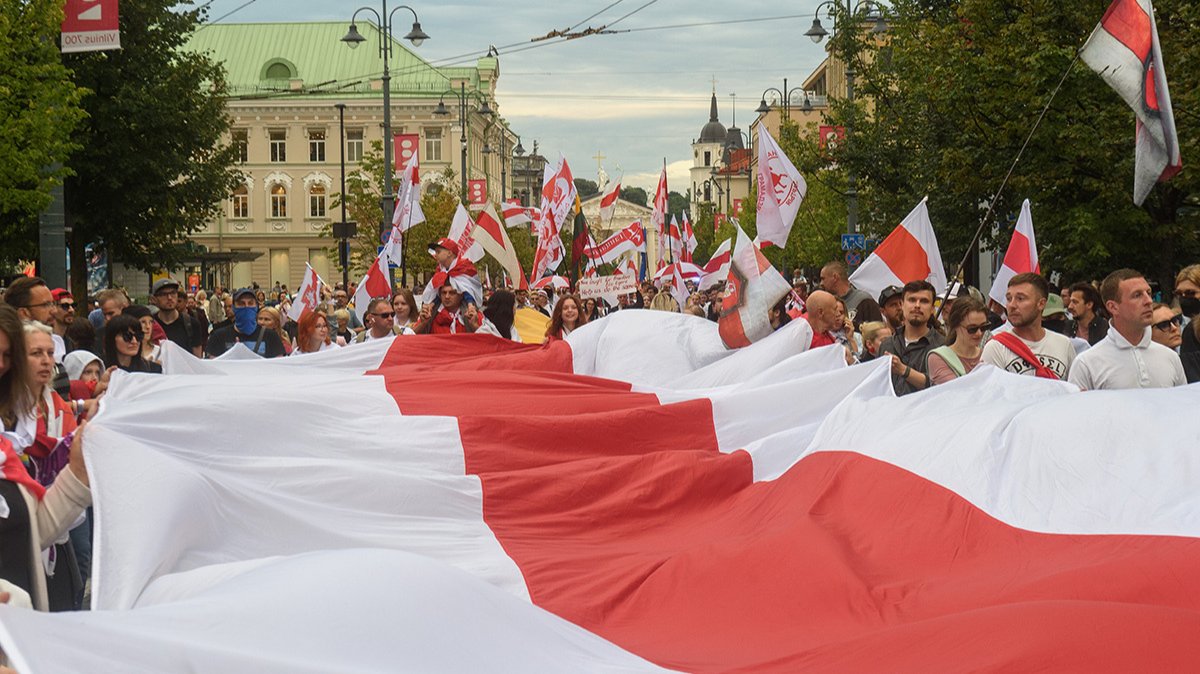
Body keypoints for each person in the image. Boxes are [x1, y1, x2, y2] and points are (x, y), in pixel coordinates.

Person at [0, 310, 92, 612]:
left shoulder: (49, 407)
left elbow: (32, 529)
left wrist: (78, 471)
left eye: (6, 356)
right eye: (34, 353)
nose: (45, 360)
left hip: (25, 610)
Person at [1068, 269, 1185, 390]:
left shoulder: (1170, 357)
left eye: (1148, 293)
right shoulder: (1087, 364)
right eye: (1137, 295)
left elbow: (1182, 406)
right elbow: (1077, 408)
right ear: (1113, 307)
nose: (1149, 301)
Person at [982, 273, 1074, 380]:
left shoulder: (1064, 344)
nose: (1011, 305)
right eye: (1008, 298)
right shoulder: (996, 348)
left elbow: (1076, 392)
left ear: (1041, 304)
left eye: (1020, 298)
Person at [877, 280, 945, 395]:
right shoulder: (887, 345)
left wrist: (903, 370)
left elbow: (942, 385)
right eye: (912, 300)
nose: (917, 306)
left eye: (924, 301)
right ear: (902, 305)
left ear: (932, 309)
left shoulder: (942, 346)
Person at [205, 288, 286, 358]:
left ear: (256, 307)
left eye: (250, 303)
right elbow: (212, 368)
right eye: (241, 304)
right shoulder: (218, 337)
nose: (246, 307)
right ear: (234, 308)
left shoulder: (271, 337)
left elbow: (279, 368)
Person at [927, 296, 988, 384]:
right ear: (955, 326)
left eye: (984, 327)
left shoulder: (988, 354)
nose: (979, 333)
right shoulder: (938, 357)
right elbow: (956, 389)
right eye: (972, 329)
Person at [819, 261, 882, 328]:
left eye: (823, 279)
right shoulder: (826, 303)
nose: (821, 283)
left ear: (835, 277)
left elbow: (878, 331)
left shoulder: (864, 300)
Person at [148, 279, 201, 357]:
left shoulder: (191, 324)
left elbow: (197, 360)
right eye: (163, 294)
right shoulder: (150, 324)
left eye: (173, 293)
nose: (169, 298)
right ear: (154, 299)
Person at [414, 284, 481, 335]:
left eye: (452, 293)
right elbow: (410, 337)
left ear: (461, 295)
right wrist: (422, 324)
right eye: (444, 292)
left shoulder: (474, 315)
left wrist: (474, 325)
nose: (447, 296)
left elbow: (488, 340)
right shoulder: (429, 314)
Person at [49, 289, 76, 354]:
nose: (71, 310)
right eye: (65, 306)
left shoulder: (70, 343)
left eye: (73, 305)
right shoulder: (44, 340)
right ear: (53, 308)